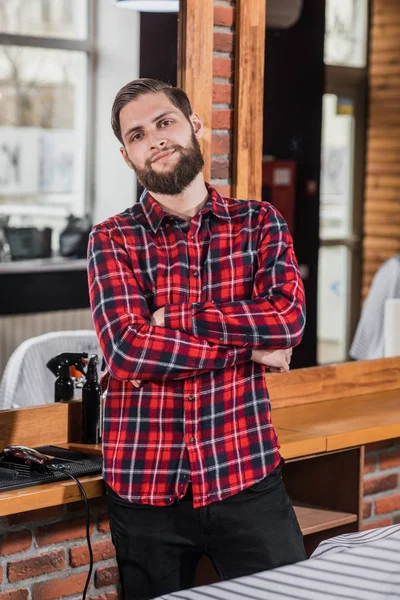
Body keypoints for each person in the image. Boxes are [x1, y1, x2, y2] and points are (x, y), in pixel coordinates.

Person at [87, 78, 307, 600]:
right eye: (138, 134)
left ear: (194, 126)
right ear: (126, 155)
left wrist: (174, 318)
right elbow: (126, 350)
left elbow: (287, 323)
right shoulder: (111, 238)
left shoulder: (259, 223)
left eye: (165, 122)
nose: (155, 139)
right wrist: (249, 347)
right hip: (145, 486)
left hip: (245, 472)